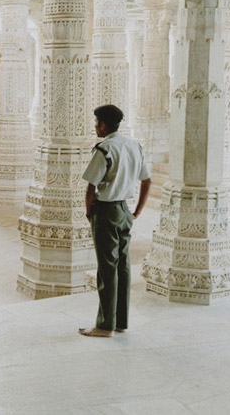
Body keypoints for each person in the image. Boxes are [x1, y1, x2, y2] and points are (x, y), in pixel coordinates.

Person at [78, 104, 151, 338]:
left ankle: (104, 325)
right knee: (123, 266)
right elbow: (147, 181)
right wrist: (136, 212)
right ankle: (121, 322)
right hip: (124, 210)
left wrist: (90, 213)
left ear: (104, 125)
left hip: (107, 210)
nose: (95, 127)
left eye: (97, 123)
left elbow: (91, 187)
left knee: (107, 269)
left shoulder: (105, 149)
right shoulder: (134, 146)